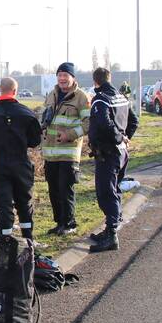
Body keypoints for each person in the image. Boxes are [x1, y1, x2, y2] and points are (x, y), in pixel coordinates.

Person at [0, 77, 42, 239]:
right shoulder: (27, 114)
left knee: (4, 205)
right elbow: (35, 141)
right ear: (15, 91)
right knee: (24, 203)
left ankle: (5, 240)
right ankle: (28, 239)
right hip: (21, 165)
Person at [87, 67, 138, 253]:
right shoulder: (121, 97)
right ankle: (110, 229)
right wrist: (126, 137)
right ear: (110, 78)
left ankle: (111, 235)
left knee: (106, 192)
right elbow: (134, 121)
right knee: (114, 189)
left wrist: (118, 138)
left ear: (95, 82)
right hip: (121, 153)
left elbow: (104, 123)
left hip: (109, 153)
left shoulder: (101, 99)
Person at [41, 62, 91, 236]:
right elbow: (45, 118)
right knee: (53, 190)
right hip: (50, 152)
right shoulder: (51, 95)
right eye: (60, 75)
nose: (62, 79)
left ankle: (69, 223)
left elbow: (88, 123)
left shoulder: (81, 97)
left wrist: (70, 134)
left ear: (73, 78)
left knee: (65, 189)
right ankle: (59, 223)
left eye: (65, 75)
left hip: (68, 153)